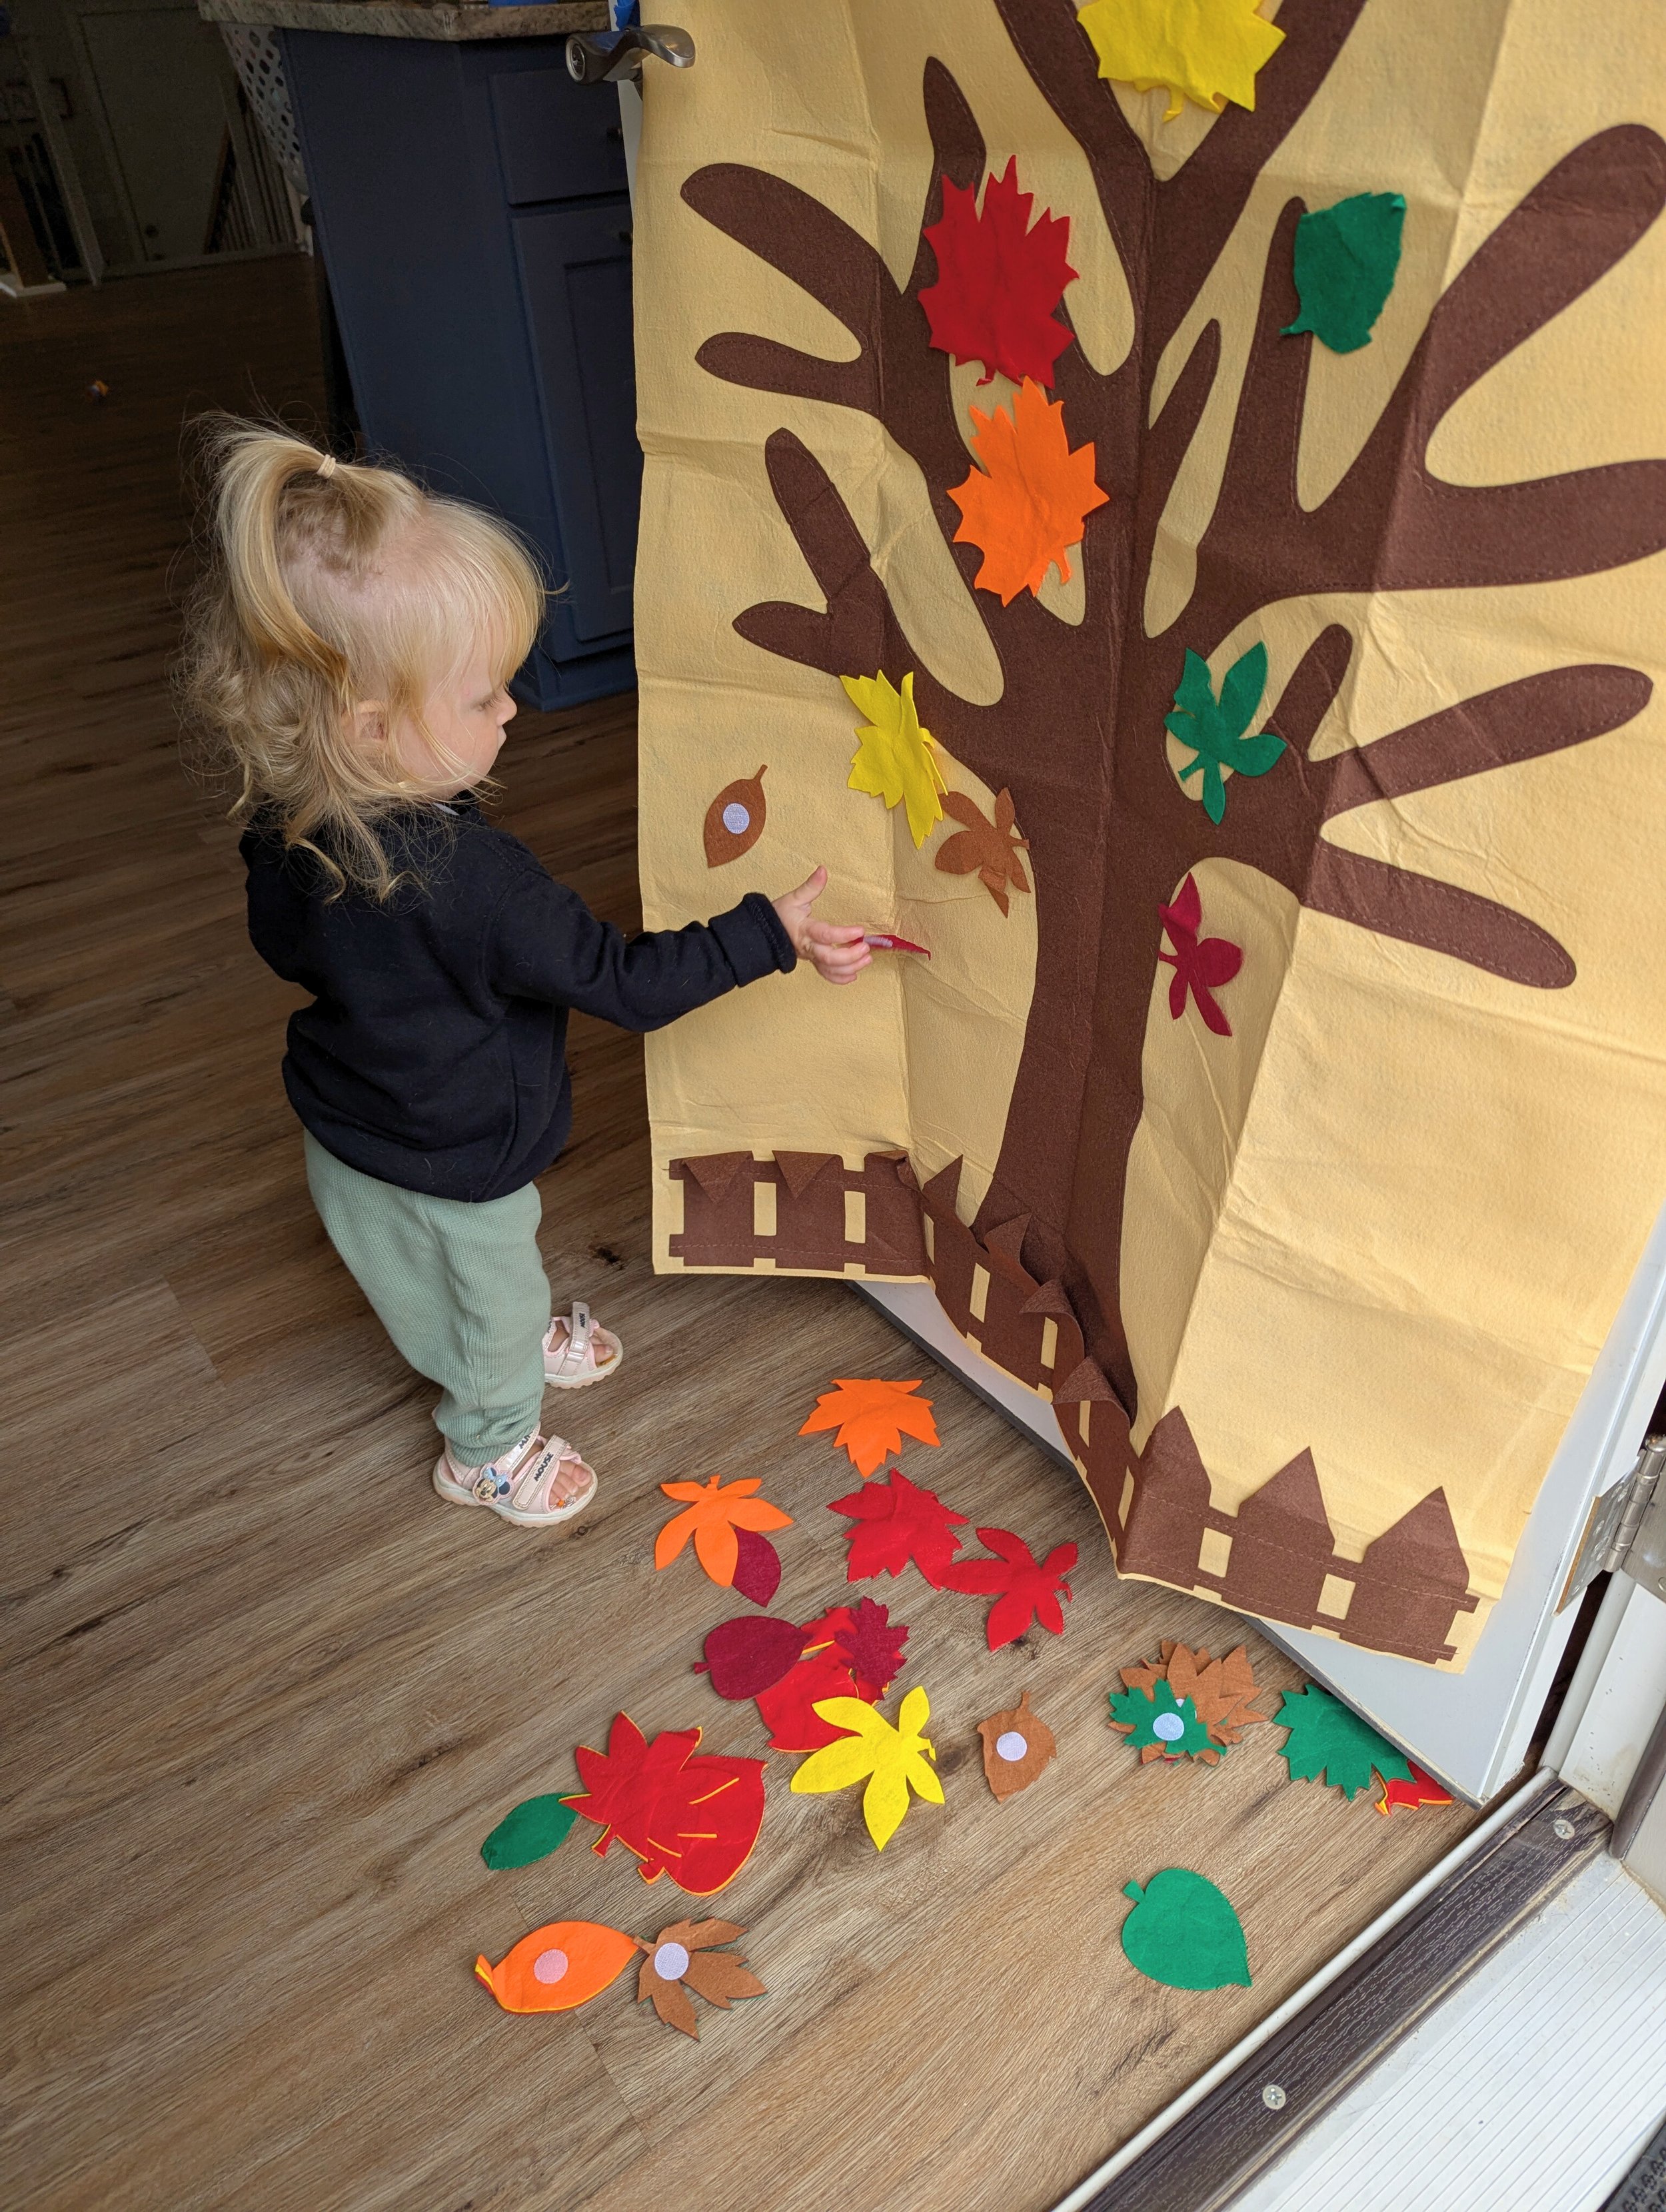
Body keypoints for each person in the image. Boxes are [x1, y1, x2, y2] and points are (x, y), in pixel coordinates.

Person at [180, 420, 870, 1528]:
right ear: (370, 730)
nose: (513, 710)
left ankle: (504, 1316)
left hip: (354, 1118)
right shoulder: (477, 884)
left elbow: (284, 947)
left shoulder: (287, 822)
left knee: (471, 1268)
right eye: (483, 695)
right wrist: (767, 932)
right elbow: (628, 982)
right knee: (481, 1294)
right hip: (444, 1155)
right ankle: (488, 1444)